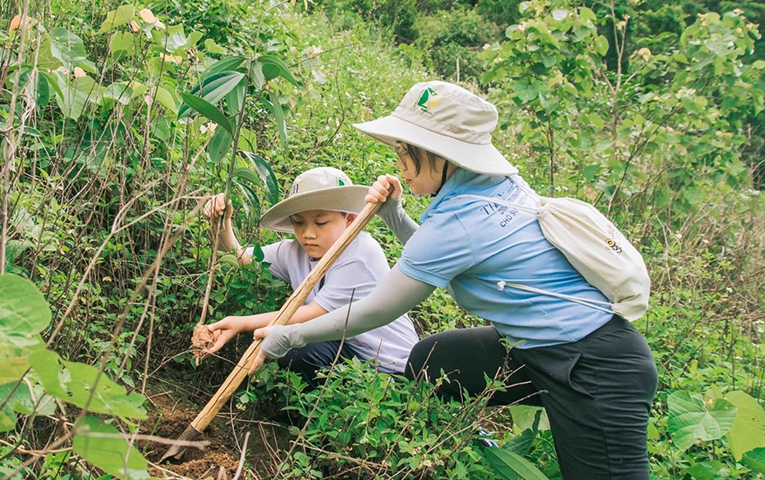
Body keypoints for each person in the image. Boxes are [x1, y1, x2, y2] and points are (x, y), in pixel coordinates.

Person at [252, 82, 658, 479]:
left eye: (403, 153)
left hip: (594, 367)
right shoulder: (495, 189)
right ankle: (465, 443)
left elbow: (379, 308)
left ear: (438, 154)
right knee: (437, 360)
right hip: (542, 351)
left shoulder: (458, 221)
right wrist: (394, 214)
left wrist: (292, 334)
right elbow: (445, 256)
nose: (399, 165)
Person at [203, 166, 419, 388]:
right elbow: (240, 258)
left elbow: (313, 314)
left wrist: (240, 323)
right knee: (298, 348)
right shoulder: (294, 251)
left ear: (350, 220)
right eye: (298, 222)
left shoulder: (360, 252)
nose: (308, 233)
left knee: (297, 345)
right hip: (347, 351)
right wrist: (221, 222)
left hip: (392, 368)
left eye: (321, 222)